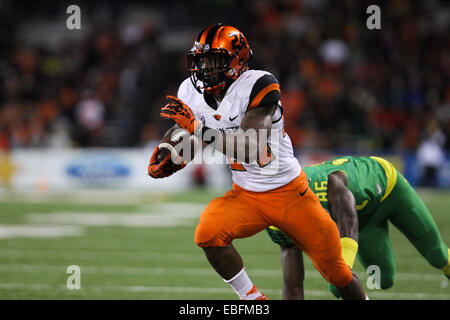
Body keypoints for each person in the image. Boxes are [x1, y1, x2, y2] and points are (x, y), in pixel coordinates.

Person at [148, 23, 367, 300]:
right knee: (208, 233)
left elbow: (250, 148)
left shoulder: (260, 84)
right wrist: (169, 150)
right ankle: (253, 300)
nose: (206, 69)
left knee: (338, 275)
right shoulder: (191, 91)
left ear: (236, 60)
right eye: (201, 61)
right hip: (246, 195)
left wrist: (196, 130)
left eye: (215, 61)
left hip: (290, 193)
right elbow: (183, 131)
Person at [267, 156, 450, 299]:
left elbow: (347, 216)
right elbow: (292, 284)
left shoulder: (325, 185)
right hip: (364, 217)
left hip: (390, 189)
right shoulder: (274, 223)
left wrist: (343, 267)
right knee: (381, 280)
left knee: (437, 255)